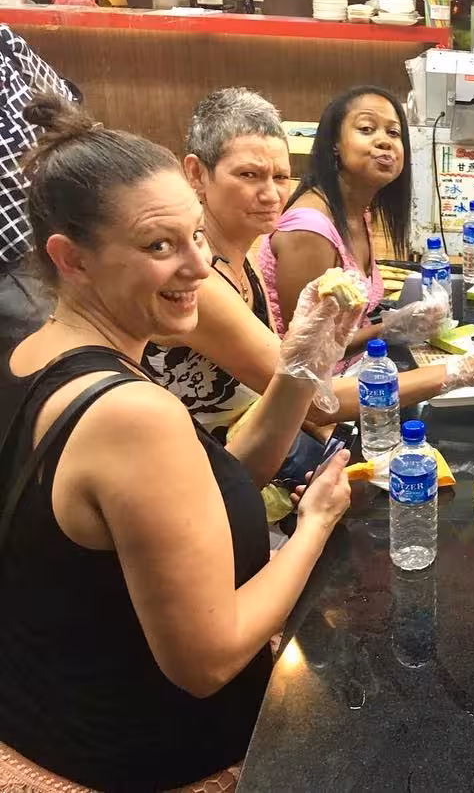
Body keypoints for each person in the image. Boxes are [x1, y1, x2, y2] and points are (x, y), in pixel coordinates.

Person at [0, 95, 357, 790]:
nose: (199, 266)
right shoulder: (132, 414)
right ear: (72, 259)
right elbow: (207, 661)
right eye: (159, 246)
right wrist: (315, 525)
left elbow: (205, 494)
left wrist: (298, 370)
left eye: (196, 234)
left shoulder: (30, 353)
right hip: (142, 754)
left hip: (42, 712)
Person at [146, 88, 474, 476]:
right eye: (249, 175)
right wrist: (463, 369)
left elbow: (289, 388)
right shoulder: (199, 281)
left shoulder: (238, 260)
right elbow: (309, 397)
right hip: (210, 477)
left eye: (280, 176)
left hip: (262, 450)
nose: (270, 194)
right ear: (196, 174)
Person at [0, 24, 75, 341]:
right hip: (10, 257)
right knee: (57, 345)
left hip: (55, 230)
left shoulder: (4, 42)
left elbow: (65, 108)